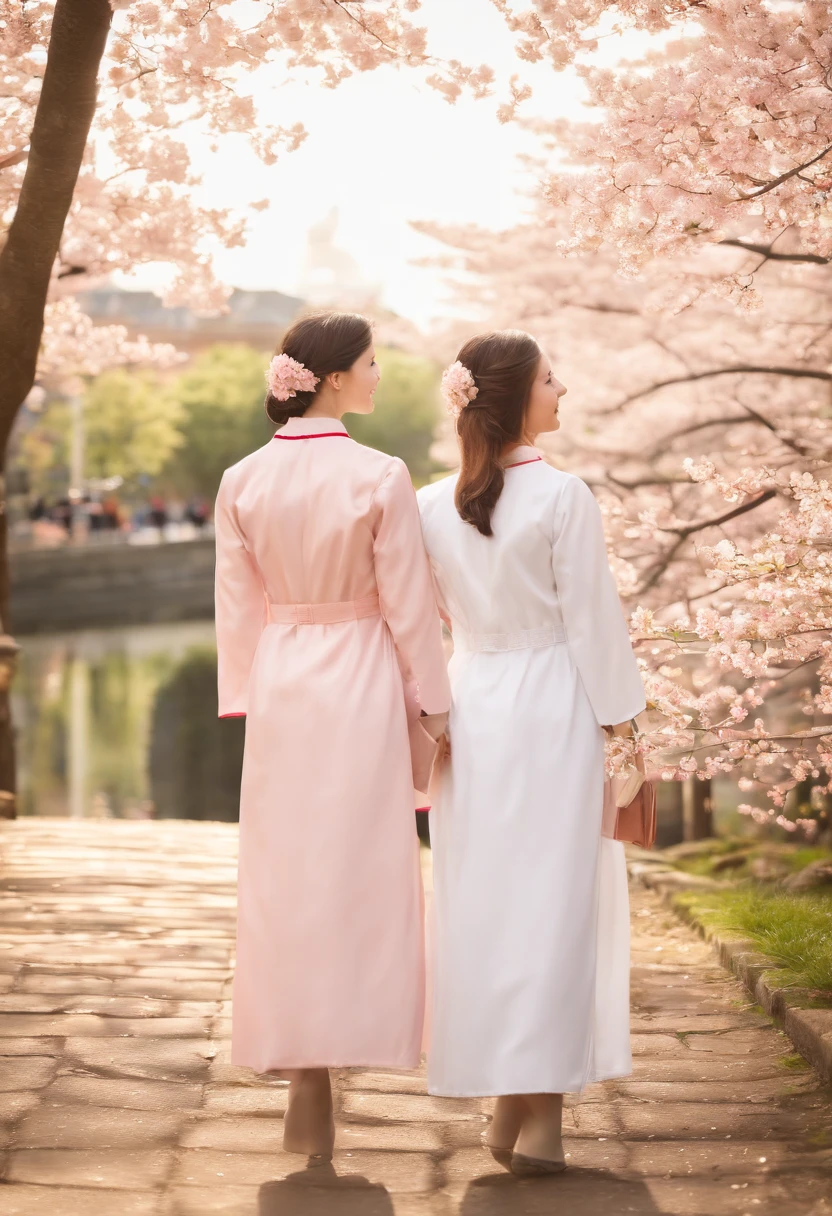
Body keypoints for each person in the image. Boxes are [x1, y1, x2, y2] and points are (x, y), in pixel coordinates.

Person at [214, 311, 450, 1161]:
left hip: (283, 677)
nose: (381, 374)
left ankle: (304, 1079)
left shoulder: (242, 477)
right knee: (361, 868)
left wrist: (246, 690)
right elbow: (409, 604)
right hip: (358, 672)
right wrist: (435, 701)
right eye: (373, 362)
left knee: (286, 873)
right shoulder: (380, 474)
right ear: (337, 378)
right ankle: (347, 1047)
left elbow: (236, 609)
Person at [416, 331, 646, 1177]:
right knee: (552, 905)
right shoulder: (561, 495)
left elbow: (424, 619)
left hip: (474, 700)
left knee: (487, 906)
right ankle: (537, 1113)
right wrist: (625, 726)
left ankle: (512, 1102)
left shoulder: (429, 502)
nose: (565, 389)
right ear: (516, 398)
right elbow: (593, 622)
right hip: (553, 705)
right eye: (553, 378)